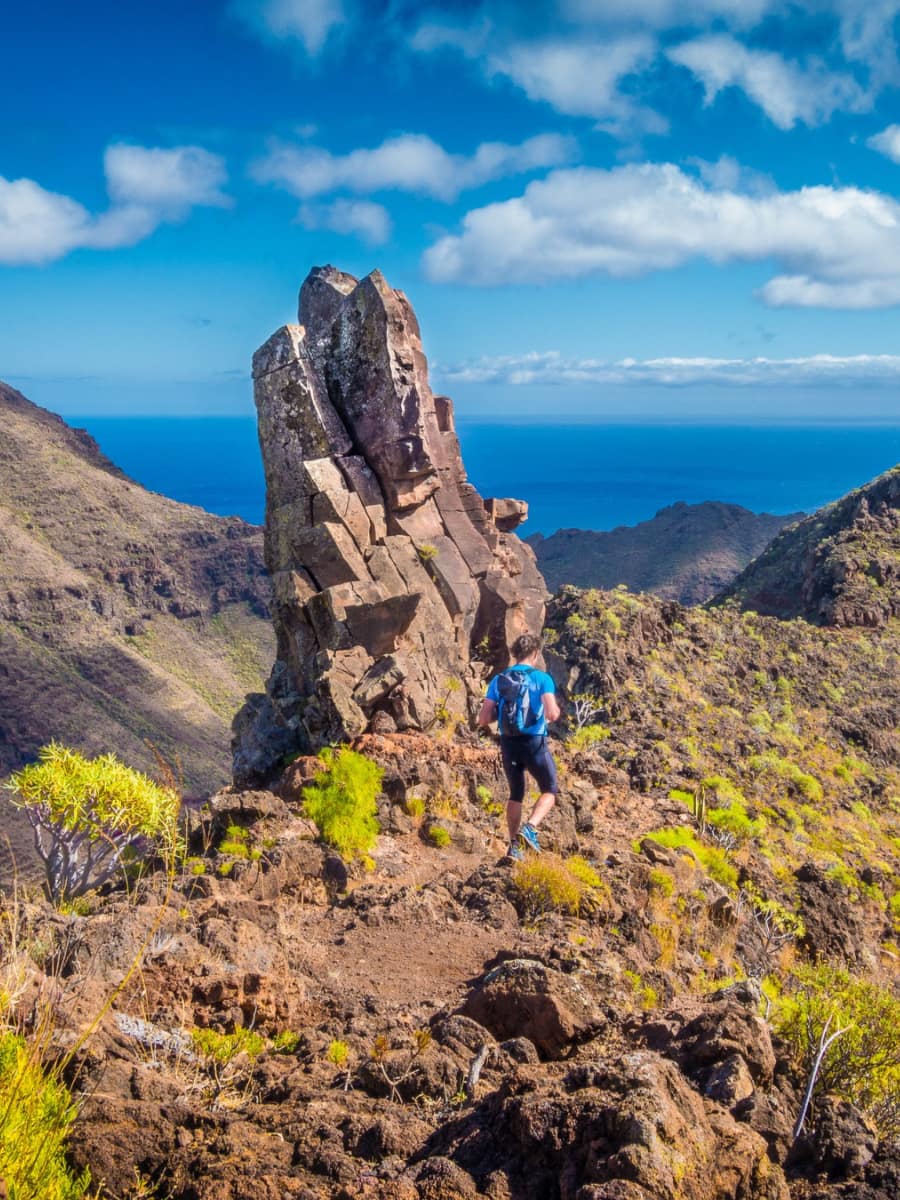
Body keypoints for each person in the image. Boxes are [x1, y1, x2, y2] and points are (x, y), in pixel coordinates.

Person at [477, 632, 561, 860]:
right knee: (550, 789)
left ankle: (514, 847)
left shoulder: (499, 679)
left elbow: (483, 719)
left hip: (508, 743)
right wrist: (547, 715)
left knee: (516, 793)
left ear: (514, 654)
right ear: (535, 654)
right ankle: (530, 828)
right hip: (534, 742)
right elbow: (552, 713)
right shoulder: (542, 679)